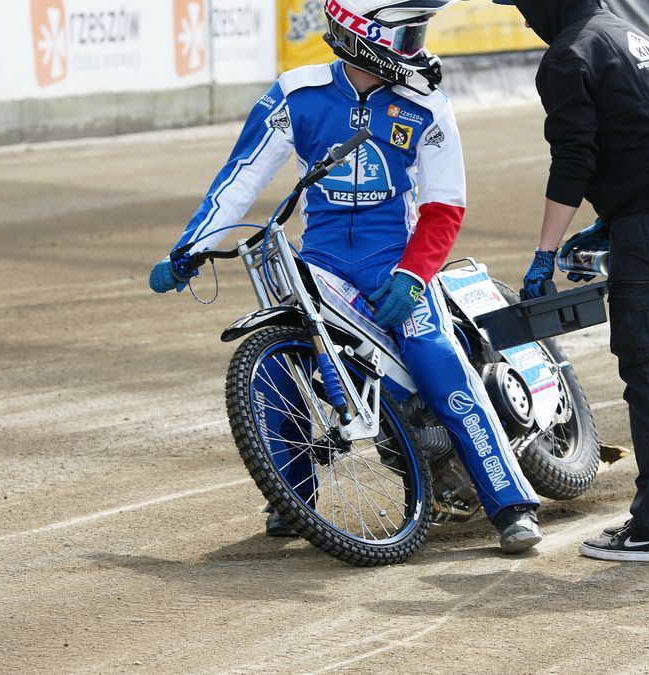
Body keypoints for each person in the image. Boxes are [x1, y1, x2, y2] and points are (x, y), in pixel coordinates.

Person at [150, 0, 543, 553]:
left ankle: (510, 503)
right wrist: (189, 249)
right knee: (281, 358)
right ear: (358, 33)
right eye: (405, 35)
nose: (417, 47)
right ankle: (290, 495)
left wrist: (413, 275)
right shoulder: (297, 93)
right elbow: (240, 179)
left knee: (436, 356)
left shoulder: (427, 104)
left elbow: (444, 209)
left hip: (398, 263)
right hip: (322, 262)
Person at [498, 0, 649, 562]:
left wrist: (544, 253)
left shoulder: (567, 54)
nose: (526, 18)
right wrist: (610, 220)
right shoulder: (629, 35)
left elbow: (572, 159)